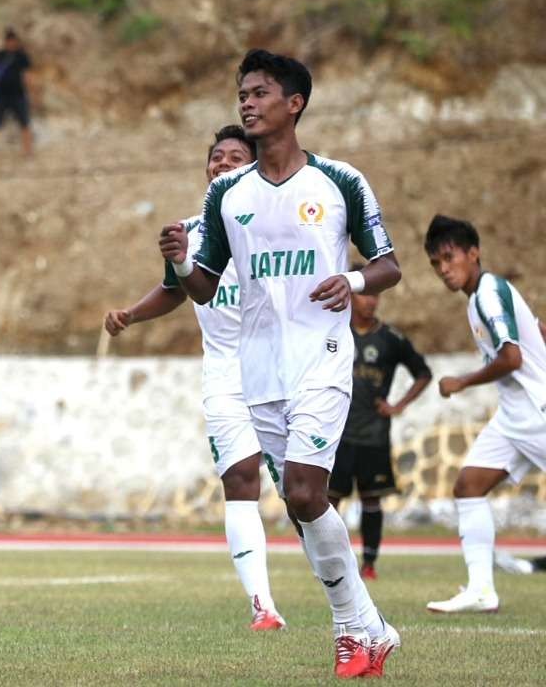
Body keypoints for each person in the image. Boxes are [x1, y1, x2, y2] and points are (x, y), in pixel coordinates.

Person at [160, 49, 401, 678]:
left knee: (302, 489)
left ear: (294, 103)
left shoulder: (341, 181)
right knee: (300, 503)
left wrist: (351, 279)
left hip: (321, 359)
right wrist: (184, 261)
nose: (247, 102)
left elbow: (388, 264)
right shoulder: (227, 194)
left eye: (260, 92)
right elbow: (207, 287)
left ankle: (351, 629)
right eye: (242, 93)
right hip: (256, 368)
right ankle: (372, 628)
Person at [105, 125, 286, 632]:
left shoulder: (273, 221)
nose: (222, 163)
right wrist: (131, 315)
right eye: (216, 157)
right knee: (240, 479)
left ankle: (342, 589)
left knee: (305, 491)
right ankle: (263, 605)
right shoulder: (189, 230)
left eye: (234, 156)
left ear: (253, 164)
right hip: (225, 373)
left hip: (281, 366)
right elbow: (177, 290)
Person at [422, 215, 546, 614]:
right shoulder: (484, 296)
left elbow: (511, 358)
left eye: (449, 257)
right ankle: (481, 590)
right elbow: (534, 334)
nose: (444, 269)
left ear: (473, 253)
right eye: (436, 263)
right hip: (514, 418)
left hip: (537, 413)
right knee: (468, 486)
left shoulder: (488, 294)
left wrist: (462, 381)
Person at [329, 266, 431, 580]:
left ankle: (369, 563)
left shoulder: (390, 339)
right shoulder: (334, 331)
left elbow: (423, 373)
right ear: (351, 295)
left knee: (371, 499)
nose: (370, 301)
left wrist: (397, 405)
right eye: (364, 294)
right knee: (330, 499)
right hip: (338, 432)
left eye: (375, 294)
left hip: (373, 434)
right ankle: (331, 561)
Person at [0, 28, 32, 164]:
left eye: (13, 41)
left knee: (25, 123)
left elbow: (27, 76)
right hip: (1, 95)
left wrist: (32, 94)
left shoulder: (22, 57)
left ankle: (27, 153)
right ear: (6, 41)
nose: (11, 43)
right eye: (9, 41)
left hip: (18, 95)